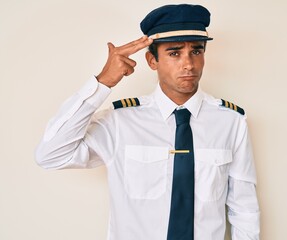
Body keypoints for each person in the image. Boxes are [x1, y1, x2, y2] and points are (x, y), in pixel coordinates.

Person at [35, 4, 260, 240]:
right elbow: (50, 155)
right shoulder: (121, 122)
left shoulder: (231, 121)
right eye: (174, 53)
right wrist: (102, 83)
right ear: (152, 60)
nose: (188, 64)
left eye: (196, 51)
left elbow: (244, 208)